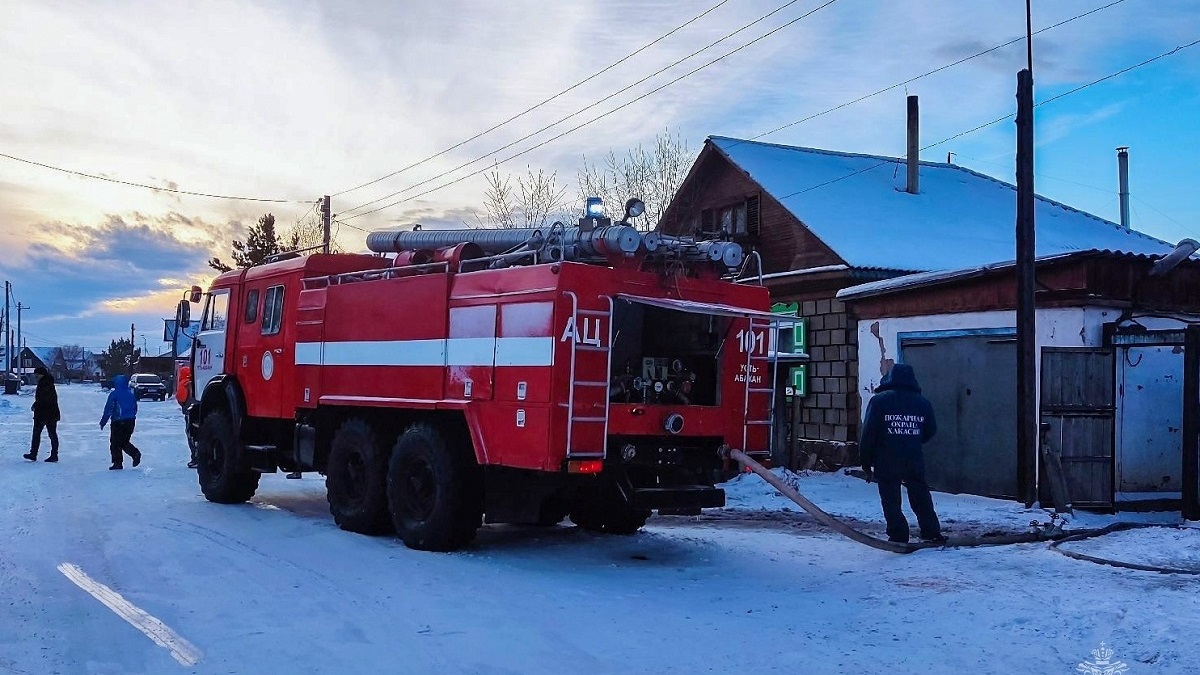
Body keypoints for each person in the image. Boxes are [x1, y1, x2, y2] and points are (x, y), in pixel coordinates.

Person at [859, 363, 946, 544]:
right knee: (920, 495)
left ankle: (898, 535)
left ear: (890, 378)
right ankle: (931, 531)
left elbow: (869, 433)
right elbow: (931, 429)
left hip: (886, 459)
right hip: (913, 458)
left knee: (891, 499)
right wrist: (912, 440)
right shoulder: (922, 402)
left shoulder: (879, 401)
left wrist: (866, 462)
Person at [100, 374, 142, 470]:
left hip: (118, 421)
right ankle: (135, 454)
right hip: (130, 421)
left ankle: (118, 462)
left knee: (115, 442)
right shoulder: (130, 394)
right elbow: (135, 408)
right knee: (124, 441)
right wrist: (132, 416)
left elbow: (109, 409)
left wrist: (103, 422)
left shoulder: (114, 395)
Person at [23, 366, 61, 463]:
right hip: (52, 413)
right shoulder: (48, 382)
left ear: (41, 374)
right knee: (52, 434)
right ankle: (54, 455)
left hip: (43, 413)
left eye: (37, 375)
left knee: (37, 433)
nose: (36, 376)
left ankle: (33, 454)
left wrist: (36, 405)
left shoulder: (44, 384)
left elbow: (43, 399)